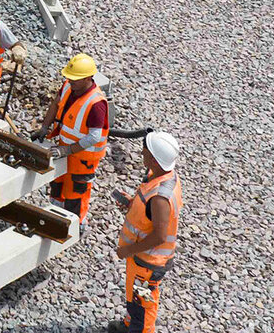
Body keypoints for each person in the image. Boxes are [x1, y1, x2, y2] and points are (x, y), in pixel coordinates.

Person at [110, 132, 182, 333]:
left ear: (154, 160)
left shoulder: (160, 198)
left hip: (147, 262)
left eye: (146, 152)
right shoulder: (162, 176)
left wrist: (128, 250)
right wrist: (132, 204)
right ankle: (128, 325)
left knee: (141, 305)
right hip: (143, 259)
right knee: (135, 297)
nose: (142, 152)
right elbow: (149, 213)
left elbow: (159, 236)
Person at [33, 53, 109, 222]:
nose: (70, 80)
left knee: (75, 194)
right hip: (64, 149)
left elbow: (94, 137)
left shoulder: (96, 103)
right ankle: (55, 218)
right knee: (57, 185)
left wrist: (67, 150)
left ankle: (75, 226)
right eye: (69, 77)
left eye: (75, 78)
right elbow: (56, 103)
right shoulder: (69, 86)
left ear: (88, 78)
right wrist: (44, 127)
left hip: (83, 158)